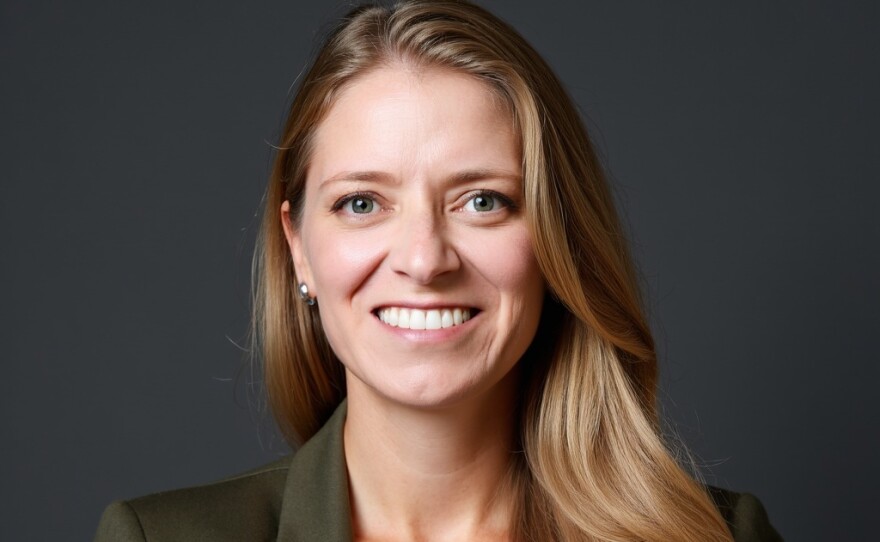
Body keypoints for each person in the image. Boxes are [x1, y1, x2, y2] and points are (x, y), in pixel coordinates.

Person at [95, 1, 782, 540]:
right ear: (299, 247)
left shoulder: (716, 536)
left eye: (483, 201)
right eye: (362, 203)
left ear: (556, 242)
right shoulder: (162, 538)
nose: (424, 260)